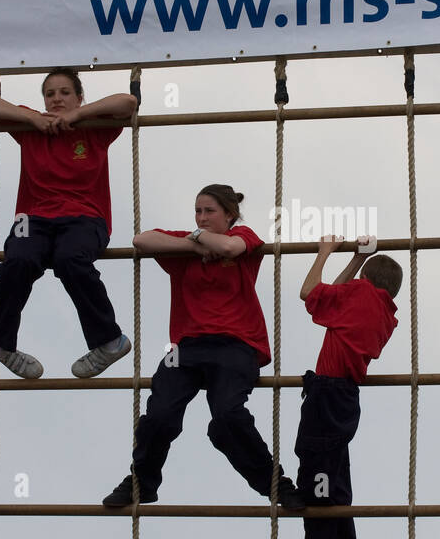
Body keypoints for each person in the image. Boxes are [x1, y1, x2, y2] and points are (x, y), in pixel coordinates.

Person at [102, 184, 305, 509]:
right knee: (159, 415)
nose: (201, 217)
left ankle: (276, 485)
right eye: (198, 211)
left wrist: (198, 240)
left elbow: (230, 247)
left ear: (230, 215)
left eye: (209, 211)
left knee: (227, 418)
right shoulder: (187, 247)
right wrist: (193, 244)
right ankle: (141, 480)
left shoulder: (245, 235)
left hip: (236, 346)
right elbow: (141, 240)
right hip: (187, 348)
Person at [0, 68, 137, 380]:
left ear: (79, 97)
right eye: (50, 94)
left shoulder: (94, 126)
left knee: (70, 259)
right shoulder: (33, 124)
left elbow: (127, 101)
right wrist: (33, 119)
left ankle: (109, 341)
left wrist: (78, 116)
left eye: (65, 93)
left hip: (85, 216)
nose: (57, 99)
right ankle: (1, 343)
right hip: (33, 218)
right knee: (19, 259)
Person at [290, 235, 400, 539]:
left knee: (316, 487)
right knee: (332, 486)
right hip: (343, 398)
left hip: (326, 397)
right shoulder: (382, 311)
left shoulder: (358, 297)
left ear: (364, 283)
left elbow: (310, 293)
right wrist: (356, 261)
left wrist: (325, 253)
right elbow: (332, 295)